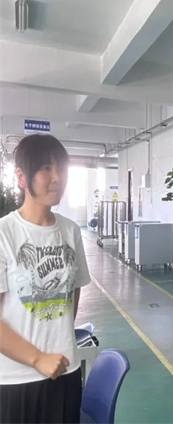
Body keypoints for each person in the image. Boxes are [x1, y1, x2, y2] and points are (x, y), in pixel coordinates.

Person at [0, 134, 91, 423]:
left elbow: (73, 291)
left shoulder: (70, 231)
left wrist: (58, 339)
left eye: (61, 168)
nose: (57, 178)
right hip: (17, 379)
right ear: (21, 177)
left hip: (66, 371)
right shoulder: (5, 233)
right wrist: (38, 358)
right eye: (45, 168)